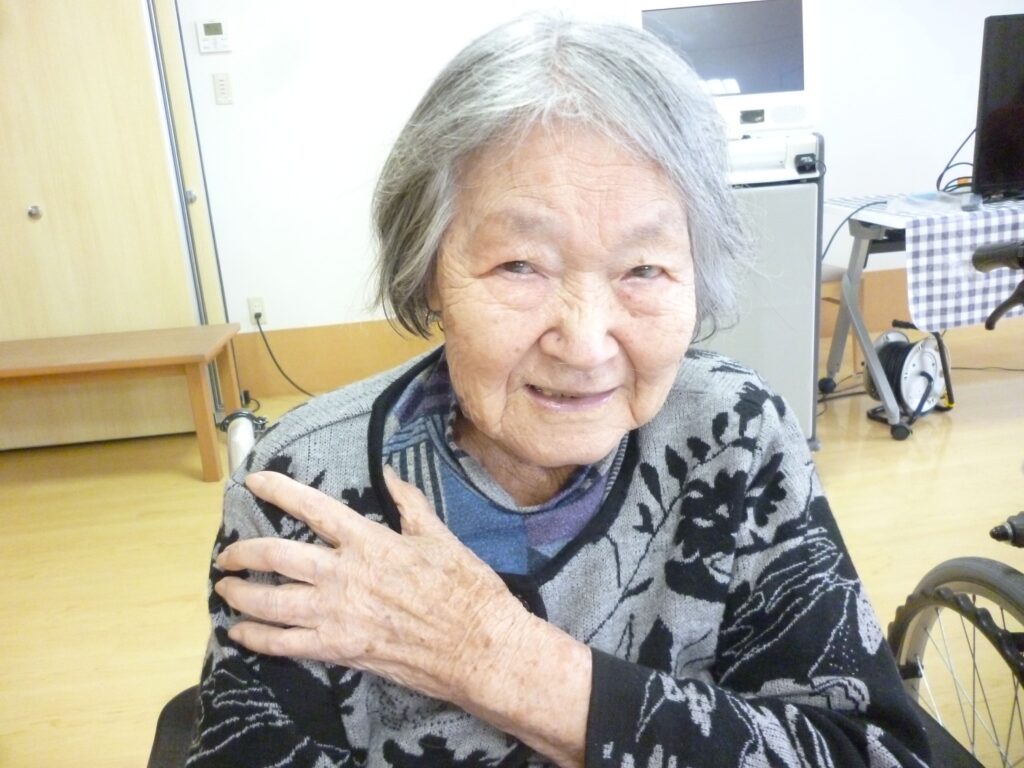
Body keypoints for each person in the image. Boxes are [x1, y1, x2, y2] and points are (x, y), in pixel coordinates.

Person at [187, 13, 930, 768]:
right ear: (429, 271)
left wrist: (504, 659)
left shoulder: (732, 433)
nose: (584, 342)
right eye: (520, 266)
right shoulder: (304, 490)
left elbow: (871, 753)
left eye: (643, 269)